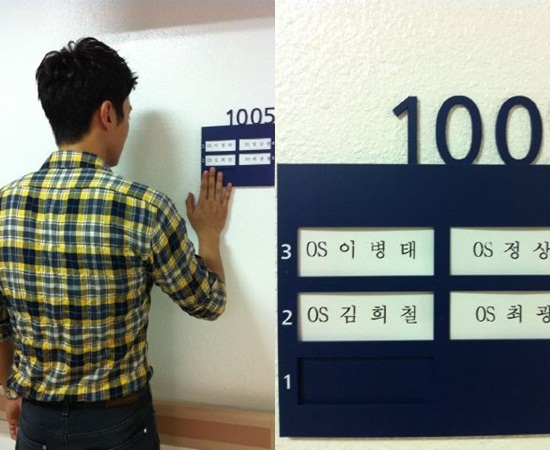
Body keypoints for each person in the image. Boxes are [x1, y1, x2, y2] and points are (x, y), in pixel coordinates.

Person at [0, 37, 232, 449]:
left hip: (37, 424)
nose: (126, 128)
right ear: (108, 114)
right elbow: (208, 302)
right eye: (127, 114)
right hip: (118, 426)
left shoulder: (4, 206)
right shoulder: (144, 207)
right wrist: (210, 236)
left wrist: (9, 392)